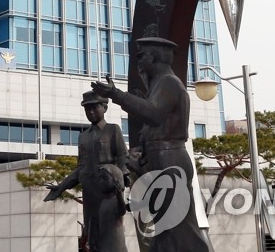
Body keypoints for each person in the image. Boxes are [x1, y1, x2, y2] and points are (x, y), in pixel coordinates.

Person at [91, 36, 212, 252]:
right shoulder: (159, 84)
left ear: (154, 56)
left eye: (142, 56)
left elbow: (154, 114)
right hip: (161, 158)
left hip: (169, 158)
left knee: (179, 227)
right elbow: (154, 124)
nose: (138, 62)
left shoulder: (169, 82)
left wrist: (116, 94)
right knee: (165, 227)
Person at [44, 89, 127, 251]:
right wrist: (61, 186)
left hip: (109, 193)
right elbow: (81, 168)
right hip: (90, 193)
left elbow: (123, 157)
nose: (91, 112)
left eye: (94, 107)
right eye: (87, 109)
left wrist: (120, 182)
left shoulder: (113, 130)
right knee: (92, 235)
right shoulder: (83, 136)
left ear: (105, 108)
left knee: (112, 236)